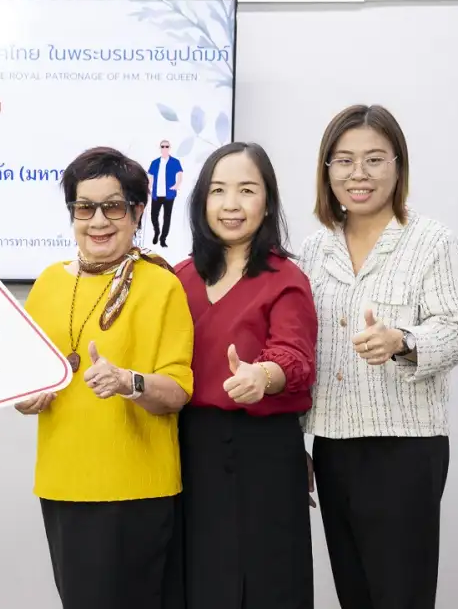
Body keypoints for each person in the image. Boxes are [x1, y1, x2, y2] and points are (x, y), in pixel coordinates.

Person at [298, 104, 458, 609]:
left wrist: (403, 340)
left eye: (374, 159)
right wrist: (293, 441)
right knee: (354, 592)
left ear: (398, 166)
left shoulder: (431, 242)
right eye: (344, 160)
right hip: (332, 446)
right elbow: (298, 350)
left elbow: (457, 330)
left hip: (405, 449)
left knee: (401, 595)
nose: (359, 173)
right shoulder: (312, 251)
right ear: (327, 169)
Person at [16, 146, 194, 609]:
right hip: (61, 483)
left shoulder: (162, 284)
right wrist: (26, 398)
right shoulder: (48, 283)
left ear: (137, 212)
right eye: (84, 207)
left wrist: (128, 383)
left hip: (135, 488)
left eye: (113, 206)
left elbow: (177, 391)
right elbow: (23, 384)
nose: (98, 220)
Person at [173, 142, 317, 609]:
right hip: (189, 449)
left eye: (247, 190)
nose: (231, 204)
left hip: (263, 453)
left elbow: (294, 355)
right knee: (198, 579)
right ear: (201, 201)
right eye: (218, 190)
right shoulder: (178, 278)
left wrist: (263, 376)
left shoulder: (285, 278)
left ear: (268, 202)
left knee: (267, 584)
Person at [148, 139, 184, 247]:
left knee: (167, 218)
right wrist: (149, 188)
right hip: (156, 194)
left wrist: (176, 186)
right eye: (162, 146)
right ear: (160, 148)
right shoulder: (155, 162)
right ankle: (157, 232)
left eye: (166, 146)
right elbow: (150, 177)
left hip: (169, 195)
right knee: (154, 216)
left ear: (169, 148)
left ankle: (163, 239)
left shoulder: (175, 162)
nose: (164, 148)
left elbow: (180, 175)